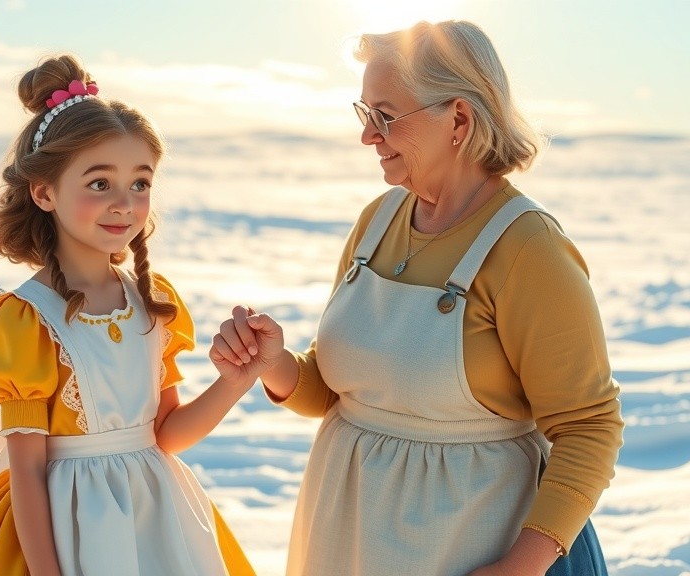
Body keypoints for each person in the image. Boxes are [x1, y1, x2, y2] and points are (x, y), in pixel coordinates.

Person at [212, 20, 624, 576]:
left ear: (458, 118)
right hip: (347, 541)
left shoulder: (529, 249)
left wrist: (520, 567)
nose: (367, 136)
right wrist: (276, 365)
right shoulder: (377, 222)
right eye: (364, 114)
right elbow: (343, 395)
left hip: (477, 548)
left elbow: (588, 427)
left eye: (385, 116)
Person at [0, 55, 256, 576]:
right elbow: (27, 473)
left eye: (141, 183)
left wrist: (234, 382)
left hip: (156, 518)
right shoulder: (25, 319)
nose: (125, 203)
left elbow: (166, 434)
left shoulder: (153, 302)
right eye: (99, 184)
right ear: (44, 192)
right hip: (62, 527)